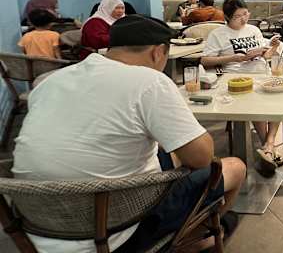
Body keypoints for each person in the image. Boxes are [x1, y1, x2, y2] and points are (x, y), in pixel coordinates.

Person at [12, 15, 246, 252]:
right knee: (234, 167)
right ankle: (194, 239)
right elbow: (202, 157)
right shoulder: (150, 81)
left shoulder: (51, 80)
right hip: (116, 231)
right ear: (158, 52)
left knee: (169, 154)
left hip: (37, 228)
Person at [201, 0, 283, 175]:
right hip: (237, 78)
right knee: (256, 102)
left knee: (280, 99)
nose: (243, 19)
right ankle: (269, 147)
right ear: (227, 17)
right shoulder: (218, 34)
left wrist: (272, 47)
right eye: (238, 16)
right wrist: (236, 58)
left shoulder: (254, 30)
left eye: (245, 14)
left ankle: (268, 146)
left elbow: (265, 57)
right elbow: (205, 60)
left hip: (262, 74)